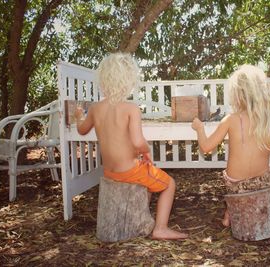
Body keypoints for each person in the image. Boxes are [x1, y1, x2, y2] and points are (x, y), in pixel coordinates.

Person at [74, 52, 187, 240]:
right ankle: (161, 228)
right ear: (128, 81)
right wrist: (146, 151)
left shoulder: (94, 108)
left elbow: (82, 130)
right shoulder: (131, 108)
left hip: (110, 172)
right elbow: (137, 141)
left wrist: (78, 117)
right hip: (129, 171)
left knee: (149, 182)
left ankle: (140, 218)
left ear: (104, 80)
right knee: (169, 184)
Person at [191, 64, 270, 238]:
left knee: (237, 188)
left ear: (237, 95)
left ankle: (229, 214)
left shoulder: (231, 119)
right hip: (262, 184)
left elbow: (206, 147)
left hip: (235, 185)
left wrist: (200, 129)